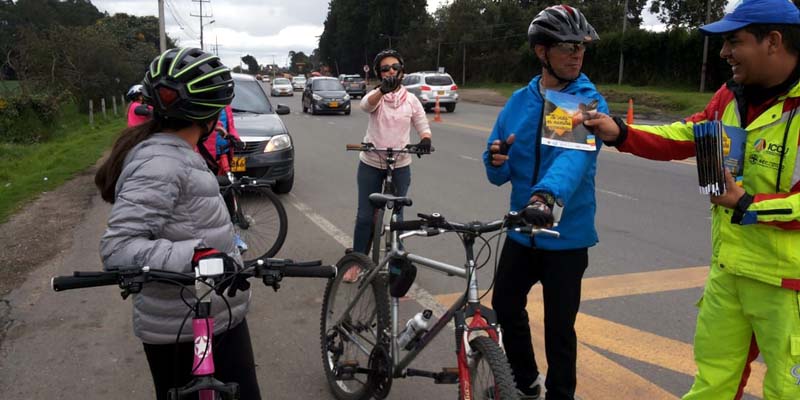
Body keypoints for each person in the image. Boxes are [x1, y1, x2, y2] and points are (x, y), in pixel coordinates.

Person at [583, 0, 800, 398]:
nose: (723, 53)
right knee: (712, 382)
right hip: (728, 272)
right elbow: (687, 135)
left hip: (788, 286)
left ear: (772, 41)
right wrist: (623, 132)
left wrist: (747, 203)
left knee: (789, 390)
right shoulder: (729, 97)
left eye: (734, 41)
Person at [94, 48, 261, 400]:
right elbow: (118, 248)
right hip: (184, 328)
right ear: (211, 116)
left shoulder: (175, 152)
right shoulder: (162, 162)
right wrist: (198, 256)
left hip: (206, 316)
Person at [483, 5, 608, 400]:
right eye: (567, 47)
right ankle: (524, 381)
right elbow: (496, 166)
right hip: (523, 231)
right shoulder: (520, 101)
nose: (576, 54)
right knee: (504, 304)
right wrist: (496, 156)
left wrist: (546, 196)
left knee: (559, 328)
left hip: (565, 236)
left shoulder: (585, 101)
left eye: (581, 47)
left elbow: (572, 157)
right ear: (542, 52)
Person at [343, 49, 432, 282]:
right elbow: (365, 106)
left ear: (402, 71)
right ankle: (357, 261)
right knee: (365, 216)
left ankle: (396, 262)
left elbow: (421, 121)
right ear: (379, 74)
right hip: (371, 162)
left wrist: (425, 139)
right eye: (385, 69)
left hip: (400, 163)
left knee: (398, 218)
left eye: (394, 67)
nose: (390, 71)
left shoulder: (410, 99)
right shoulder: (376, 96)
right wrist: (382, 90)